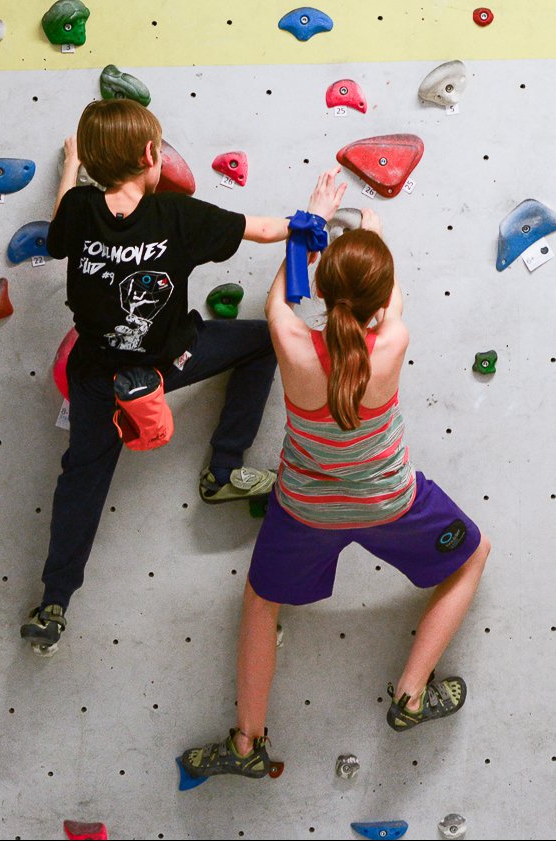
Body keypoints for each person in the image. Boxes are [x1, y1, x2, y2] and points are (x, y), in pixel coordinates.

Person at [180, 169, 491, 779]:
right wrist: (376, 240)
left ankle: (247, 745)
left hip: (304, 509)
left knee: (261, 602)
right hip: (390, 503)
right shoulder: (392, 340)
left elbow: (278, 302)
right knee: (472, 556)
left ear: (320, 290)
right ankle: (410, 694)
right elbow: (388, 299)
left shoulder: (292, 345)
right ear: (381, 298)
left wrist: (310, 222)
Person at [20, 98, 298, 654]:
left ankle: (54, 603)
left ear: (95, 164)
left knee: (82, 481)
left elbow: (56, 232)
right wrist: (312, 220)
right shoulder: (179, 216)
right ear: (152, 155)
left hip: (97, 377)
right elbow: (268, 229)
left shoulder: (78, 208)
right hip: (167, 364)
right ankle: (223, 469)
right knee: (266, 341)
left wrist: (71, 167)